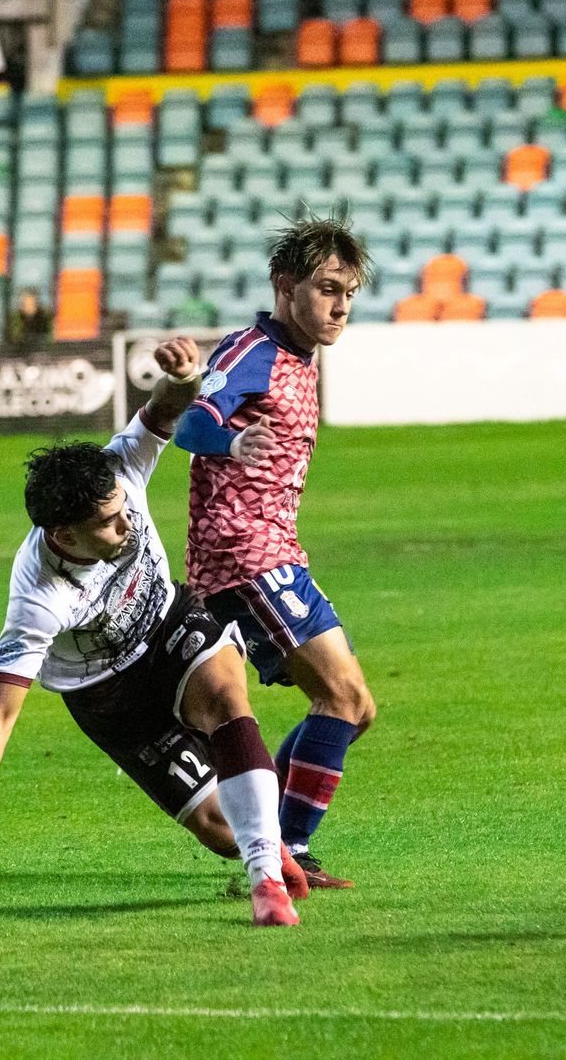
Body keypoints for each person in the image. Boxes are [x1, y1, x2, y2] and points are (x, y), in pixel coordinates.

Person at [0, 336, 307, 927]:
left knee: (226, 699)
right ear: (64, 535)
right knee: (221, 829)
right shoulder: (40, 598)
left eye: (124, 509)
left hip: (168, 622)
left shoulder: (119, 466)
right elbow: (1, 711)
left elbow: (165, 409)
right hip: (107, 694)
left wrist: (185, 377)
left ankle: (266, 879)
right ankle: (266, 848)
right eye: (107, 522)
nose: (127, 524)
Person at [172, 211, 376, 889]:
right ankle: (285, 850)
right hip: (242, 554)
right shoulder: (250, 352)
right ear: (285, 285)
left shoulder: (300, 355)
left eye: (348, 293)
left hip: (277, 550)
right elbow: (191, 424)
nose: (340, 306)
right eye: (327, 289)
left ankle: (269, 840)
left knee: (355, 710)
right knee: (341, 698)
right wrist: (230, 440)